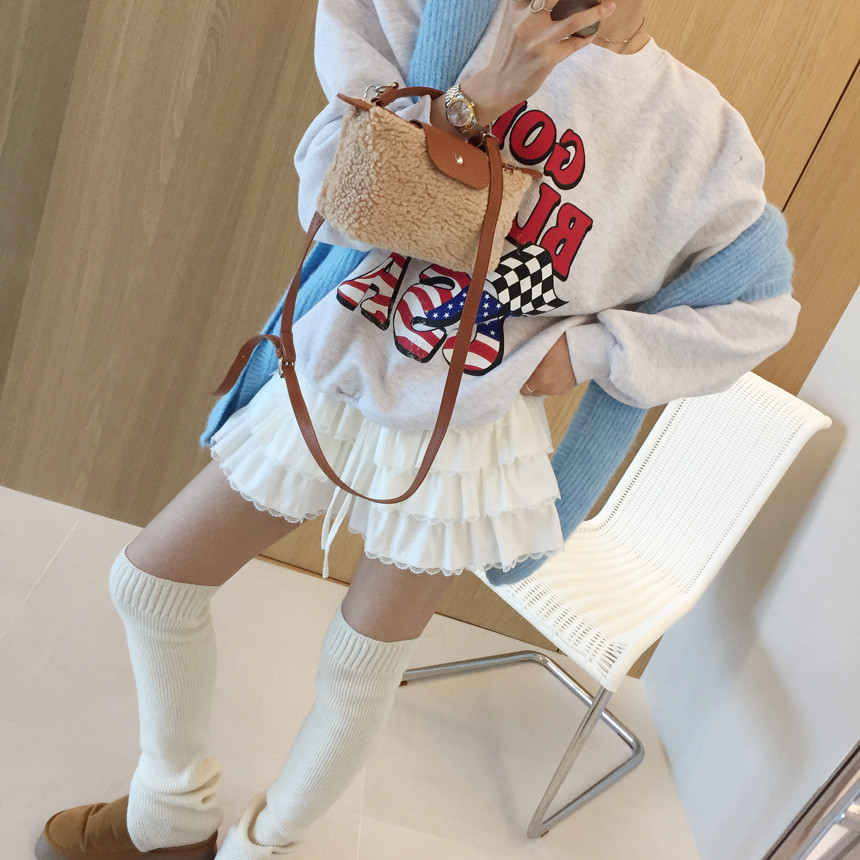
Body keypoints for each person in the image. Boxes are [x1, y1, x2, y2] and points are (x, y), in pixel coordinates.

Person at [34, 0, 799, 858]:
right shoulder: (439, 11)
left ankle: (266, 845)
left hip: (470, 430)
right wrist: (476, 99)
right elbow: (333, 193)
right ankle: (172, 813)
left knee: (361, 668)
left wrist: (593, 351)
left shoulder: (703, 139)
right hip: (344, 362)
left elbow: (760, 310)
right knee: (154, 583)